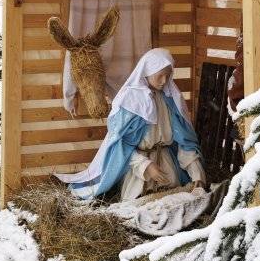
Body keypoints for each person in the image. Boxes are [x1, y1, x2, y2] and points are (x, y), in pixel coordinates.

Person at [57, 48, 206, 201]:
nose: (164, 81)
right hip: (138, 170)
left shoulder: (171, 100)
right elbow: (120, 144)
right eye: (160, 76)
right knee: (140, 203)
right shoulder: (130, 101)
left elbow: (185, 143)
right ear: (147, 71)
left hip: (167, 167)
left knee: (175, 200)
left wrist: (197, 176)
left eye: (168, 76)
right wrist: (145, 166)